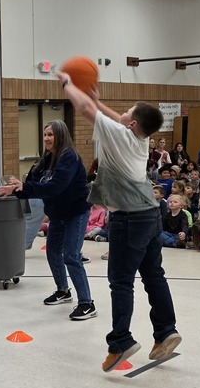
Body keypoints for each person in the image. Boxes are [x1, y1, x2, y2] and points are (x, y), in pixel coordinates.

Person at [56, 72, 180, 371]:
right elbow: (114, 116)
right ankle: (165, 331)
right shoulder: (141, 137)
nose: (121, 114)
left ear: (132, 123)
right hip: (150, 214)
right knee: (154, 276)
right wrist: (100, 101)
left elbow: (86, 111)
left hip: (129, 218)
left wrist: (69, 86)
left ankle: (121, 341)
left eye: (127, 113)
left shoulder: (119, 134)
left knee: (121, 283)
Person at [0, 120, 95, 320]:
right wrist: (17, 189)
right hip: (58, 213)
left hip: (76, 213)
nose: (47, 139)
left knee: (71, 256)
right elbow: (33, 184)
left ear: (61, 135)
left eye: (50, 134)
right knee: (52, 252)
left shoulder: (70, 157)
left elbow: (55, 187)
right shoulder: (46, 159)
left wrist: (26, 188)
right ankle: (63, 290)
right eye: (45, 135)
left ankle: (87, 303)